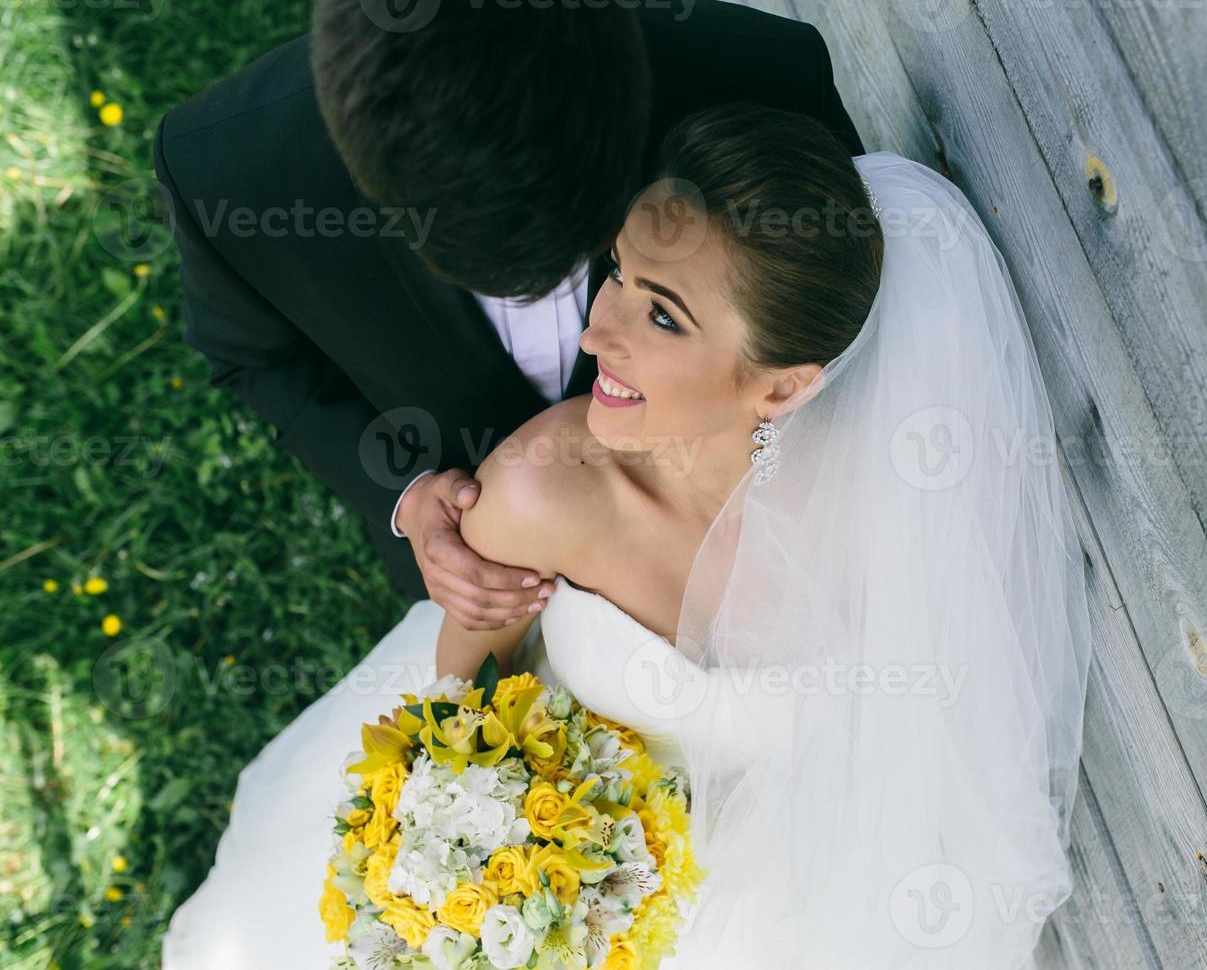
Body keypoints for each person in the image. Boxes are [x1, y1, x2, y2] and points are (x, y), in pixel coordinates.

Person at [163, 103, 1093, 968]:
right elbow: (451, 717)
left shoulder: (881, 497)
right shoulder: (539, 494)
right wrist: (511, 868)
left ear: (782, 388)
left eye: (661, 314)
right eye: (617, 271)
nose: (600, 331)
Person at [152, 0, 863, 632]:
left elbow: (838, 316)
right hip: (472, 584)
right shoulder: (229, 173)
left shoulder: (759, 75)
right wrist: (404, 496)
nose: (591, 329)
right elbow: (253, 358)